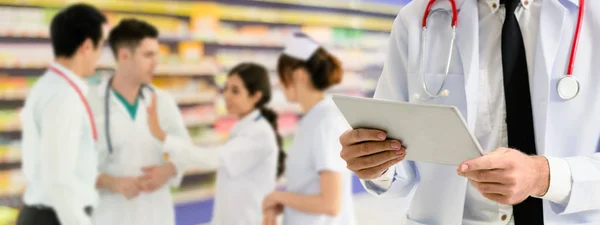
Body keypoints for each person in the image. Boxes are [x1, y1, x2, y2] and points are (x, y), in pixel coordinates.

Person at [339, 0, 600, 225]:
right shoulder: (418, 19)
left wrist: (542, 176)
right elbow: (398, 167)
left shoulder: (592, 17)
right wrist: (375, 164)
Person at [147, 62, 284, 225]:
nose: (227, 95)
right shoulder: (243, 127)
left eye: (235, 91)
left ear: (256, 96)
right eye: (226, 88)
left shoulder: (258, 134)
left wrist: (163, 137)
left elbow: (213, 159)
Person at [86, 19, 191, 225]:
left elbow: (186, 151)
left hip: (156, 215)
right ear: (124, 56)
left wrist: (168, 170)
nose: (156, 63)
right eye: (148, 55)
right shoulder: (90, 102)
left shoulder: (163, 101)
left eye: (156, 55)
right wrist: (111, 182)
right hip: (109, 215)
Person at [17, 4, 107, 225]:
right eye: (100, 46)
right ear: (86, 46)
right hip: (56, 217)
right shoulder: (63, 96)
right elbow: (58, 180)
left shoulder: (52, 85)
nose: (99, 55)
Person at [262, 33, 355, 225]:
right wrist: (285, 203)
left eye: (282, 77)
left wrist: (278, 197)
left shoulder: (325, 121)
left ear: (299, 76)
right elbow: (310, 188)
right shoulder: (312, 118)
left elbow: (331, 204)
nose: (280, 84)